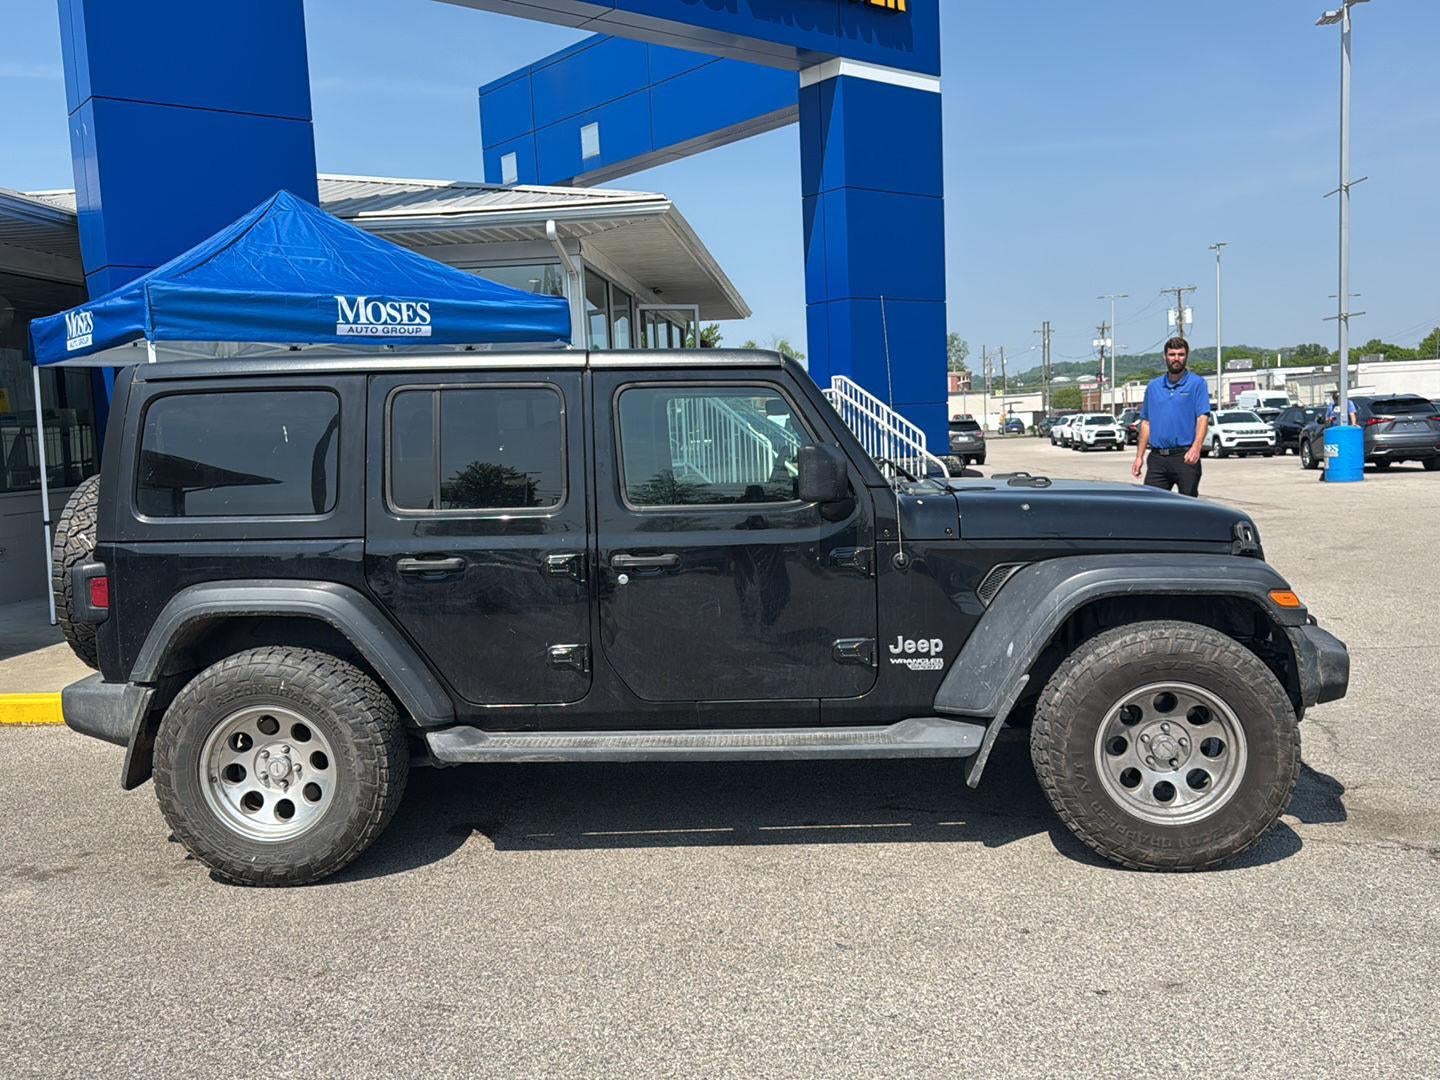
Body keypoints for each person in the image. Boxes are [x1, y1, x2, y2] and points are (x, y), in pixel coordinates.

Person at [1130, 337, 1211, 497]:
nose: (1176, 358)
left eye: (1181, 354)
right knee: (1152, 506)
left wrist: (1196, 447)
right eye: (1172, 354)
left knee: (1188, 507)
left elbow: (1203, 417)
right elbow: (1146, 423)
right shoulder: (1153, 387)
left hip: (1185, 458)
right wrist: (1139, 457)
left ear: (1186, 356)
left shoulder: (1197, 384)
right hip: (1157, 459)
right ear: (1165, 356)